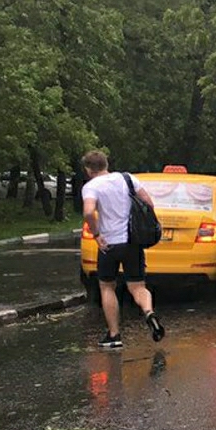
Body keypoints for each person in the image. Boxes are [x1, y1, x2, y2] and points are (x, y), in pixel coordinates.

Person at [80, 149, 164, 350]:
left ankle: (114, 335)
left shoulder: (91, 187)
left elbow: (89, 211)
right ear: (106, 164)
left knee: (107, 287)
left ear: (88, 169)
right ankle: (149, 312)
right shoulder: (127, 178)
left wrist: (96, 234)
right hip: (133, 242)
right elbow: (148, 203)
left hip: (109, 244)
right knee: (137, 287)